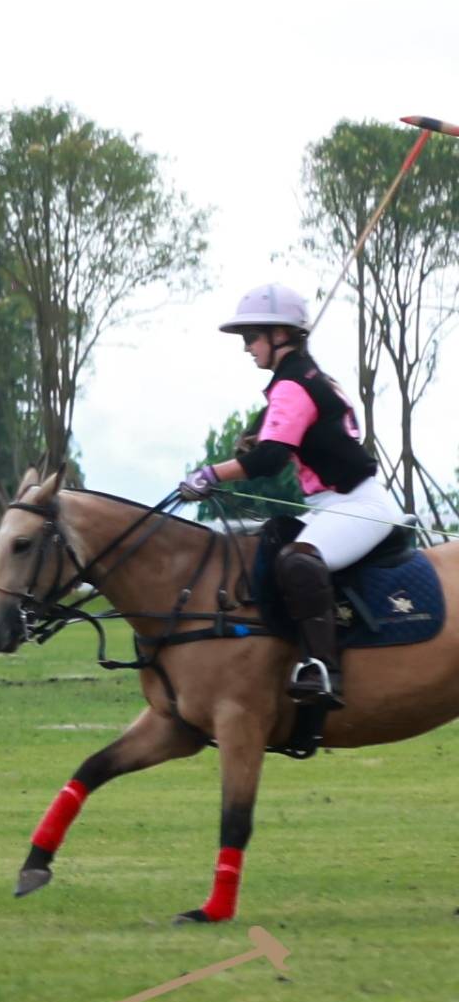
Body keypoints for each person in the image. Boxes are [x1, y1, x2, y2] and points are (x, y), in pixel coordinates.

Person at [180, 283, 409, 708]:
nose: (247, 348)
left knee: (299, 560)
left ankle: (323, 669)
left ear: (280, 335)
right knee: (274, 538)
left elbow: (268, 459)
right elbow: (275, 437)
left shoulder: (295, 384)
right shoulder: (305, 377)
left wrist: (211, 475)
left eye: (252, 338)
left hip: (358, 506)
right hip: (329, 507)